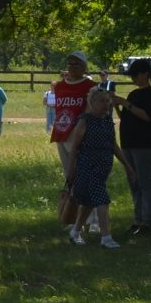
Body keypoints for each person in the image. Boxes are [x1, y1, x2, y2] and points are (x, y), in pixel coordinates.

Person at [65, 89, 130, 248]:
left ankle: (75, 232)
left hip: (103, 168)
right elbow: (74, 148)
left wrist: (128, 167)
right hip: (87, 167)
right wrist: (71, 170)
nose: (105, 105)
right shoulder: (85, 120)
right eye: (101, 101)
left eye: (107, 101)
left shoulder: (108, 121)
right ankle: (106, 237)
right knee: (102, 199)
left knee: (88, 202)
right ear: (92, 103)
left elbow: (114, 146)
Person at [50, 54, 95, 230]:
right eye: (70, 64)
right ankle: (75, 219)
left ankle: (94, 221)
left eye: (76, 64)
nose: (72, 67)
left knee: (85, 178)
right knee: (71, 178)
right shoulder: (59, 86)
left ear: (84, 67)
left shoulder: (90, 87)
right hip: (62, 134)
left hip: (80, 136)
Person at [117, 59, 151, 236]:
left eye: (135, 75)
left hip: (144, 144)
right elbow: (127, 117)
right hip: (128, 143)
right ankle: (137, 219)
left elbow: (146, 117)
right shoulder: (134, 94)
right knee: (134, 182)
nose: (133, 79)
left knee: (145, 182)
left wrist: (124, 102)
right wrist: (117, 106)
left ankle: (147, 220)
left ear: (146, 75)